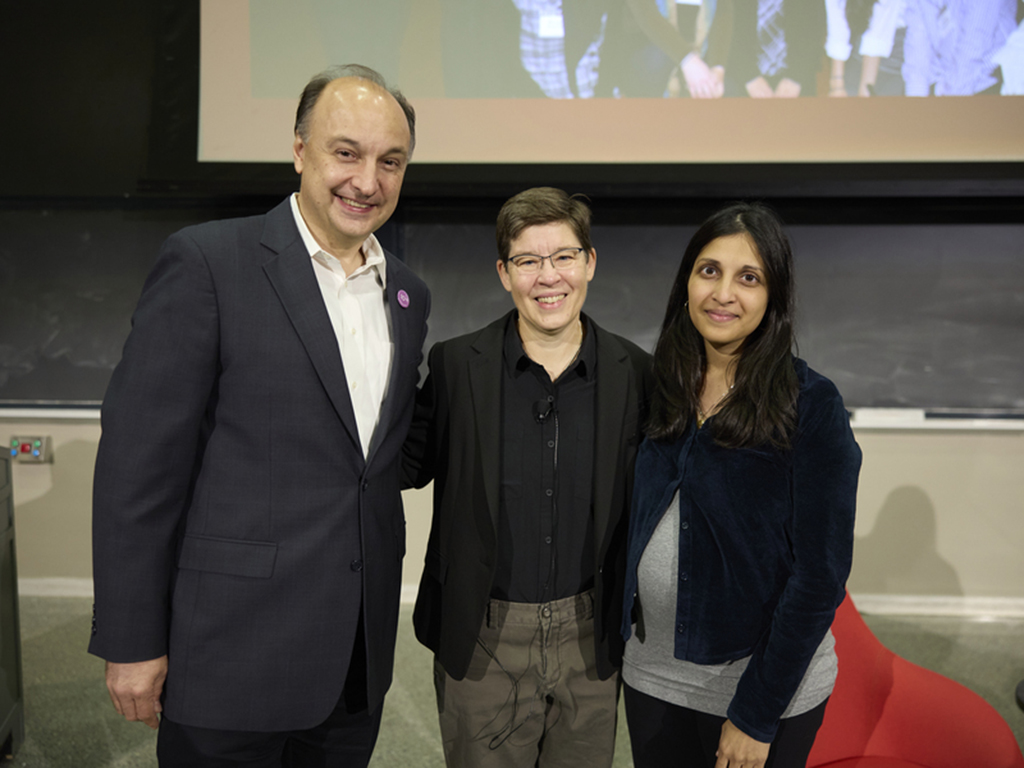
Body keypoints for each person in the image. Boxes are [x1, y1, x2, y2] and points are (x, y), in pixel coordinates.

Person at [88, 63, 430, 767]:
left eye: (389, 161)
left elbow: (369, 467)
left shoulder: (408, 295)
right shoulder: (209, 263)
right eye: (346, 152)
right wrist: (131, 638)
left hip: (352, 668)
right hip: (228, 659)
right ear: (299, 150)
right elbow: (136, 468)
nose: (367, 180)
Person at [403, 187, 652, 767]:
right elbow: (399, 466)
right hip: (485, 633)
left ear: (589, 262)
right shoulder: (455, 366)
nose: (549, 277)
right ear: (503, 273)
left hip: (592, 637)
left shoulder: (636, 373)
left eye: (564, 256)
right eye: (528, 261)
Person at [621, 203, 861, 768]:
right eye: (709, 271)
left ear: (772, 298)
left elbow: (821, 575)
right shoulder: (660, 387)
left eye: (748, 278)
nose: (723, 293)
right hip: (652, 677)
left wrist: (755, 713)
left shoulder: (811, 404)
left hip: (760, 692)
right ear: (686, 283)